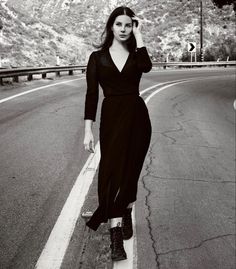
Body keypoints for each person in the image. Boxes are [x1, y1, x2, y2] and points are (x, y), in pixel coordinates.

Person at [83, 6, 152, 261]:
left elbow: (146, 67)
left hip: (137, 118)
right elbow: (91, 95)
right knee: (111, 174)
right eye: (119, 24)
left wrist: (140, 36)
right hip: (111, 120)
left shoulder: (137, 55)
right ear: (111, 26)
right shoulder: (97, 58)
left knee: (130, 173)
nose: (123, 30)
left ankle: (126, 210)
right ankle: (115, 237)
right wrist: (87, 129)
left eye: (128, 25)